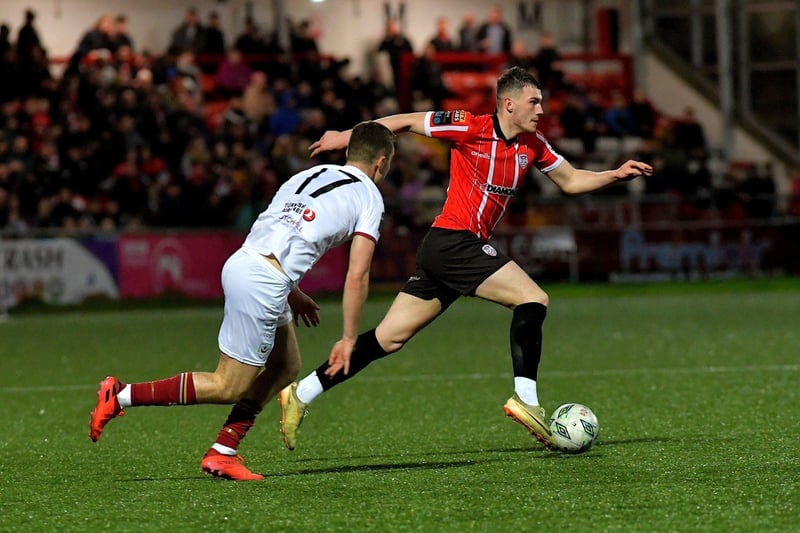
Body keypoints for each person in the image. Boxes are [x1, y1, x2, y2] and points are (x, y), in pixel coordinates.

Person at [279, 66, 652, 452]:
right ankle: (526, 399)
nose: (541, 110)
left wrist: (615, 174)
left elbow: (572, 180)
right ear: (509, 104)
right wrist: (346, 136)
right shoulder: (467, 126)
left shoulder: (534, 145)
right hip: (454, 241)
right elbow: (405, 121)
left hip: (448, 252)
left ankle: (301, 393)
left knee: (388, 339)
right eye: (534, 102)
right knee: (533, 299)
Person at [89, 121, 397, 480]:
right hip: (263, 282)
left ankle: (223, 451)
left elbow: (275, 229)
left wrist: (293, 294)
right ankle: (122, 394)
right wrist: (348, 338)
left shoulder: (306, 176)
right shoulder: (370, 197)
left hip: (246, 262)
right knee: (228, 385)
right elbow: (357, 274)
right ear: (380, 162)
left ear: (348, 152)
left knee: (286, 365)